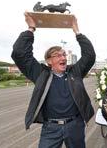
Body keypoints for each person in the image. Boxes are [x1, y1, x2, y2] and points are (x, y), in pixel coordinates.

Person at [11, 12, 96, 148]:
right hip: (51, 128)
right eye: (57, 55)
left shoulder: (75, 71)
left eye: (63, 55)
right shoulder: (40, 74)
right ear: (49, 61)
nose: (62, 58)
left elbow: (89, 55)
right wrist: (31, 29)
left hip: (75, 126)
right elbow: (19, 53)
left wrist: (77, 32)